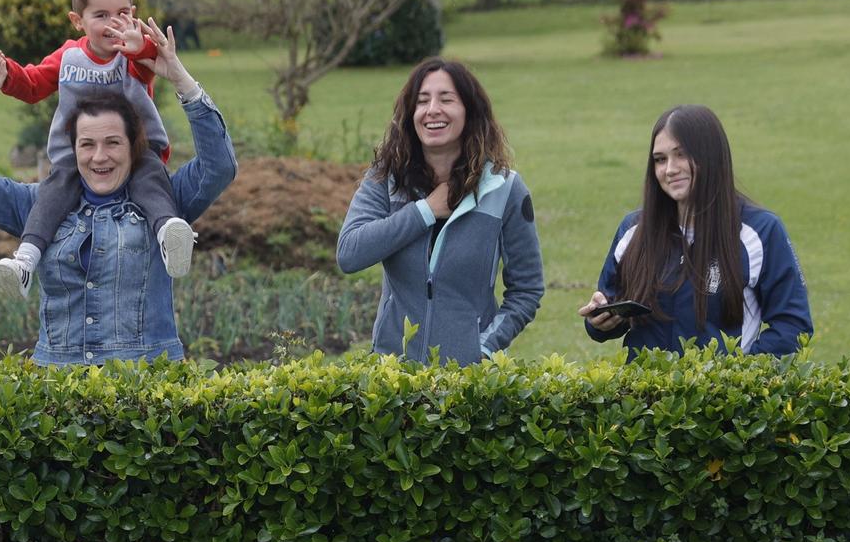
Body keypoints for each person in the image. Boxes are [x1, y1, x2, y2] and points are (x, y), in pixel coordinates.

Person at [0, 19, 236, 366]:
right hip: (59, 394)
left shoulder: (167, 200)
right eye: (87, 144)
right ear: (73, 148)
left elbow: (219, 166)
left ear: (133, 146)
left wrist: (182, 81)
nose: (99, 157)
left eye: (113, 143)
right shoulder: (40, 205)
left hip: (145, 394)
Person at [0, 0, 195, 298]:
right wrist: (4, 70)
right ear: (78, 21)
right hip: (76, 157)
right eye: (101, 16)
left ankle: (169, 232)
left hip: (137, 150)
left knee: (150, 178)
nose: (114, 25)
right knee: (52, 193)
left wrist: (141, 45)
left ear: (133, 14)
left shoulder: (135, 53)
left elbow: (150, 55)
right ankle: (25, 261)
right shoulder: (68, 58)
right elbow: (33, 85)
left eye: (122, 13)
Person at [335, 58, 543, 365]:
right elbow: (350, 253)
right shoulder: (385, 178)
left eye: (447, 99)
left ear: (469, 112)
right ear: (411, 115)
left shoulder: (505, 189)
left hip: (468, 380)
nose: (433, 109)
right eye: (422, 101)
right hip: (393, 377)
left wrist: (483, 348)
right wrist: (425, 211)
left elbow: (527, 289)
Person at [580, 103, 812, 356]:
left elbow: (792, 327)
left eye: (681, 154)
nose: (670, 169)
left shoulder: (761, 231)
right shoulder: (632, 230)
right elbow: (610, 309)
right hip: (642, 394)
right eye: (660, 160)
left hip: (722, 394)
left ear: (711, 156)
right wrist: (600, 321)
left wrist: (737, 376)